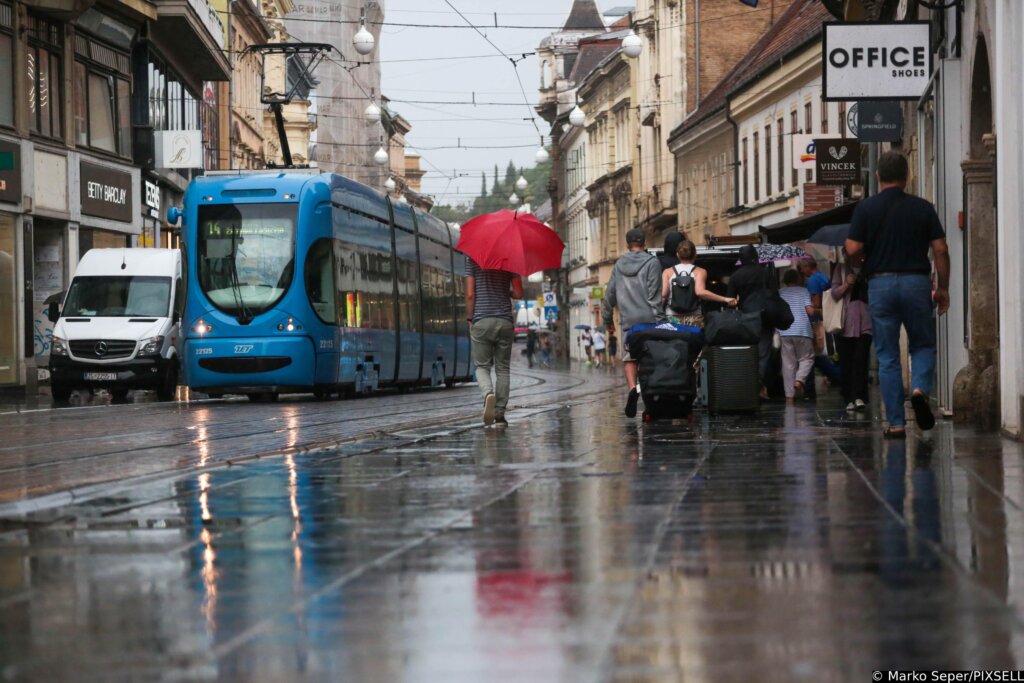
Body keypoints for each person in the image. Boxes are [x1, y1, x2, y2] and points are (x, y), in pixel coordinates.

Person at [846, 150, 950, 439]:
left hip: (880, 285)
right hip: (916, 283)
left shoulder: (866, 209)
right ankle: (918, 389)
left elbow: (853, 248)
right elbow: (940, 250)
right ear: (907, 176)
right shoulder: (923, 208)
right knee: (923, 345)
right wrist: (942, 288)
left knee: (888, 355)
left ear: (878, 176)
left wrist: (862, 262)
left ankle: (896, 424)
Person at [602, 227, 664, 417]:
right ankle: (648, 396)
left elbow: (610, 294)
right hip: (649, 321)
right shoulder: (652, 262)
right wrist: (661, 321)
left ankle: (631, 388)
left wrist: (607, 319)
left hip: (628, 322)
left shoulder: (619, 264)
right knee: (650, 358)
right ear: (644, 243)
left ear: (627, 245)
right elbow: (654, 296)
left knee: (630, 358)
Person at [466, 256, 524, 428]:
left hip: (482, 319)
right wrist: (505, 291)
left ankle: (487, 395)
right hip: (505, 321)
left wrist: (470, 318)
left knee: (482, 366)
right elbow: (519, 293)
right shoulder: (511, 259)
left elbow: (470, 294)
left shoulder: (473, 259)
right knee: (503, 368)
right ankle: (499, 415)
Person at [727, 244, 775, 397]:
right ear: (755, 256)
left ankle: (748, 386)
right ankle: (758, 386)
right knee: (763, 353)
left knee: (747, 353)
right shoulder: (765, 272)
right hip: (765, 316)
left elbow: (730, 300)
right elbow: (774, 293)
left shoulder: (736, 276)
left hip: (746, 318)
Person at [830, 250, 872, 411]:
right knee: (847, 361)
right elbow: (834, 294)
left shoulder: (868, 268)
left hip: (866, 323)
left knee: (861, 359)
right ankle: (849, 397)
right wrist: (847, 284)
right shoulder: (840, 269)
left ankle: (859, 396)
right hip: (845, 324)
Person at [661, 238, 737, 327]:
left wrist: (656, 314)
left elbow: (663, 295)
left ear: (677, 255)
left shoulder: (668, 272)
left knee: (673, 340)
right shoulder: (700, 272)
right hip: (694, 318)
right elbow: (700, 292)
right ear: (695, 255)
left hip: (672, 317)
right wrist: (725, 299)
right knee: (694, 339)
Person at [797, 258, 841, 397]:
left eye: (801, 268)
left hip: (815, 322)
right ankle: (839, 377)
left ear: (807, 267)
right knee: (816, 357)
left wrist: (806, 307)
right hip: (824, 320)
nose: (801, 271)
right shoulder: (823, 276)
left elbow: (815, 303)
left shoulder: (813, 281)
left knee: (810, 355)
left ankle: (809, 390)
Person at [778, 269, 816, 402]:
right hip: (802, 330)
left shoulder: (780, 293)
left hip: (785, 330)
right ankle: (799, 380)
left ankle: (789, 396)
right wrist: (820, 310)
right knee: (807, 358)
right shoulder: (803, 291)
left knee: (788, 364)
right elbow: (810, 311)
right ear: (798, 279)